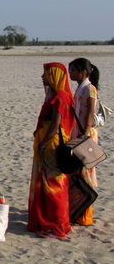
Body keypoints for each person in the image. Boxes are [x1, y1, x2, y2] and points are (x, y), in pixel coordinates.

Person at [27, 62, 75, 241]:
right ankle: (48, 221)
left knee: (53, 185)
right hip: (48, 141)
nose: (43, 77)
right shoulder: (56, 95)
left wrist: (42, 144)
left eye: (46, 74)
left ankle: (56, 226)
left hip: (52, 144)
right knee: (47, 182)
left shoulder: (60, 97)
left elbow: (55, 125)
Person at [69, 58, 101, 226]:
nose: (71, 74)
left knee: (85, 174)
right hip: (78, 134)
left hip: (85, 135)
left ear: (83, 72)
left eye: (73, 70)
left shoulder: (90, 89)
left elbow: (89, 114)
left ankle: (84, 213)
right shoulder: (81, 88)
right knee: (77, 173)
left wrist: (85, 136)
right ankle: (76, 210)